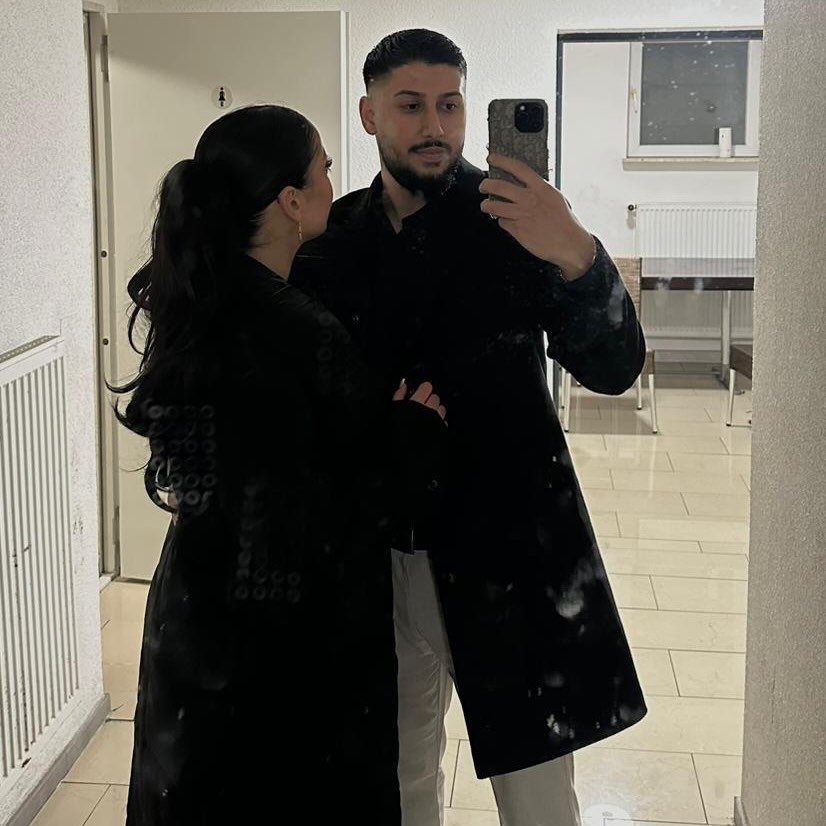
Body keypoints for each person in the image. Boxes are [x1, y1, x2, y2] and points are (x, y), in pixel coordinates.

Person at [293, 29, 648, 826]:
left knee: (538, 798)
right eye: (410, 106)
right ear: (369, 114)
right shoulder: (331, 243)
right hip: (373, 552)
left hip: (508, 548)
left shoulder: (515, 220)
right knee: (395, 783)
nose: (434, 126)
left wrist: (577, 254)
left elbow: (615, 368)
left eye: (449, 105)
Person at [113, 104, 447, 826]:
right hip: (285, 645)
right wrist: (413, 434)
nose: (333, 180)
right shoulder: (299, 331)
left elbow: (223, 476)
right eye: (323, 168)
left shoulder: (199, 303)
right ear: (292, 202)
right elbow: (329, 502)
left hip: (195, 617)